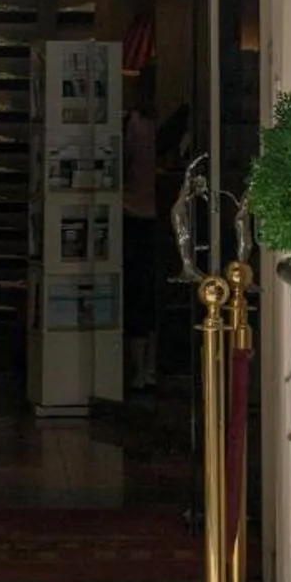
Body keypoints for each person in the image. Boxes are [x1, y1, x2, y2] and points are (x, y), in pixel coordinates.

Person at [123, 66, 159, 393]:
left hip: (132, 213)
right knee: (153, 295)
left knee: (136, 296)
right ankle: (150, 369)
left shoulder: (129, 125)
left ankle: (139, 369)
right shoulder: (166, 128)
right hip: (155, 217)